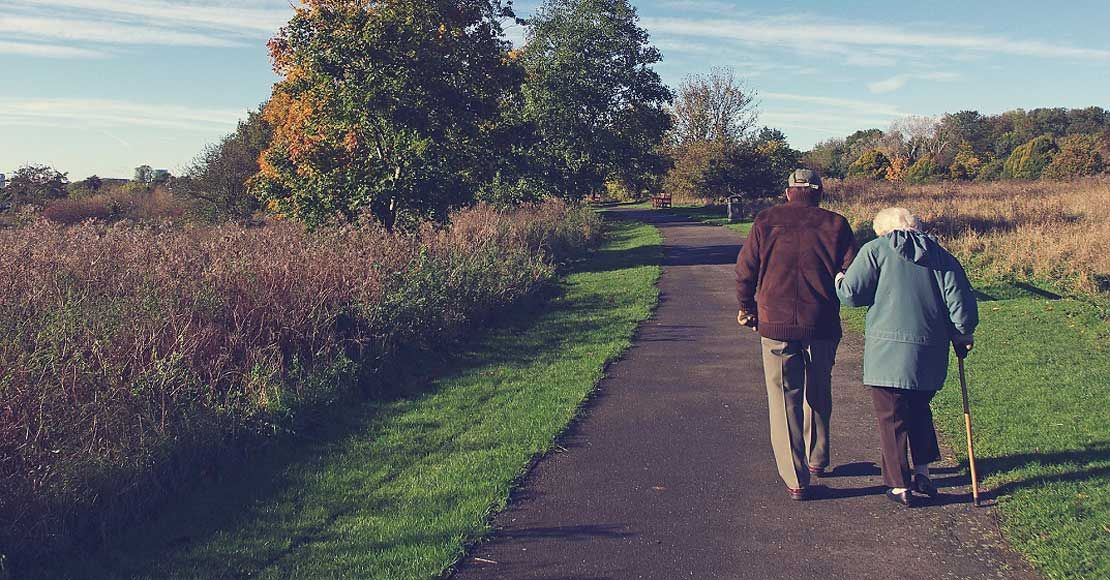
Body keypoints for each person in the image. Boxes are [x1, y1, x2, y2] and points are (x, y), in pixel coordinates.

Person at [835, 207, 978, 507]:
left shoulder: (875, 250)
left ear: (883, 230)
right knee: (919, 409)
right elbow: (960, 305)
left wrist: (839, 278)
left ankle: (899, 484)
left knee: (891, 417)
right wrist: (963, 334)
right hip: (929, 351)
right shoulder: (941, 256)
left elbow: (851, 294)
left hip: (887, 352)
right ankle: (923, 472)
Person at [735, 169, 858, 500]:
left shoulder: (766, 221)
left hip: (775, 322)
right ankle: (817, 457)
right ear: (819, 192)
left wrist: (747, 307)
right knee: (819, 389)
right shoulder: (837, 224)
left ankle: (796, 478)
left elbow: (745, 270)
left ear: (788, 192)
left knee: (783, 398)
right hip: (822, 322)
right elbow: (852, 274)